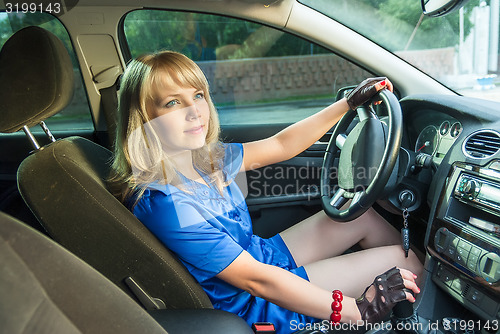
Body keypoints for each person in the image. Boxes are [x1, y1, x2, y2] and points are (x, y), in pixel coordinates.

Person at [111, 50, 423, 333]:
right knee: (403, 261)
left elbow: (281, 145)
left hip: (261, 256)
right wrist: (356, 310)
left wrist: (348, 104)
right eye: (173, 102)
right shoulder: (164, 202)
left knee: (362, 216)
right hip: (253, 305)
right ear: (145, 118)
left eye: (198, 95)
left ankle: (410, 306)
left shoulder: (205, 159)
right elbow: (255, 280)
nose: (195, 111)